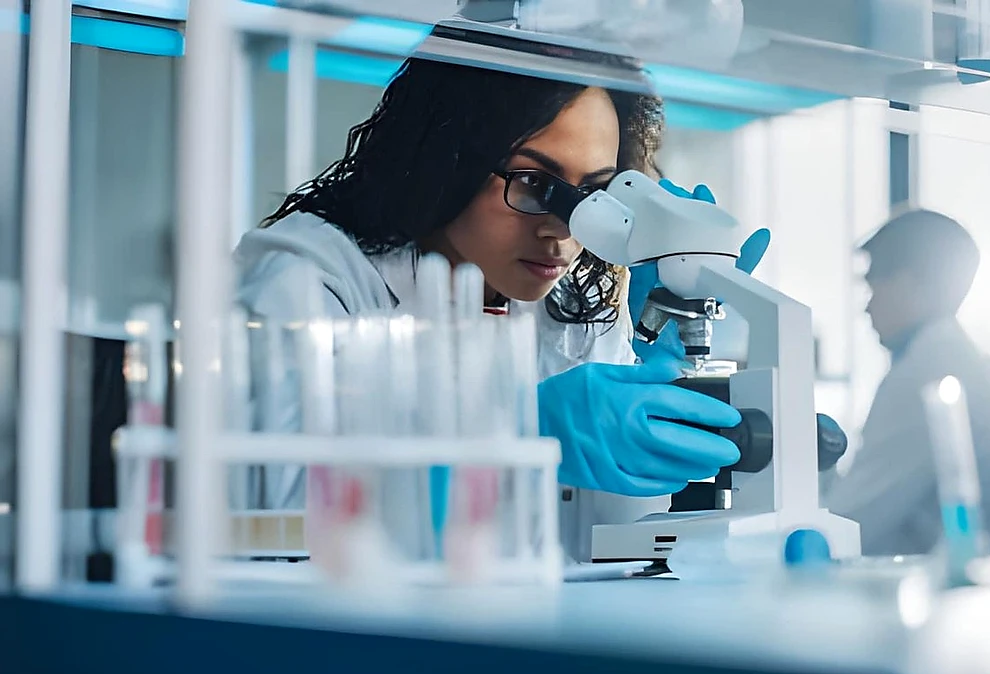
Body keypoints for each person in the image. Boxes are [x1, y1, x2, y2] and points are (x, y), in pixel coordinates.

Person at [233, 23, 769, 547]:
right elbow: (282, 525)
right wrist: (517, 427)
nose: (560, 228)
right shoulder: (311, 281)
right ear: (446, 157)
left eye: (595, 194)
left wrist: (651, 348)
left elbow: (603, 540)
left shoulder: (573, 305)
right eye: (535, 183)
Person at [826, 209, 990, 558]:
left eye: (874, 287)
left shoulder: (927, 373)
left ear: (910, 284)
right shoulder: (989, 373)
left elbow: (848, 524)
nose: (867, 308)